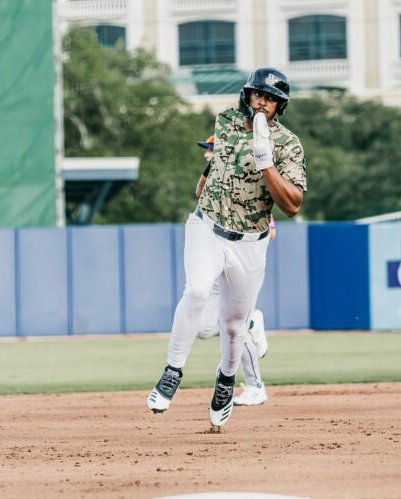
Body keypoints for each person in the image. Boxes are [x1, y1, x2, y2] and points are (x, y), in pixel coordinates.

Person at [147, 67, 306, 428]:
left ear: (280, 106)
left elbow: (293, 203)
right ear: (247, 96)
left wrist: (267, 163)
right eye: (257, 95)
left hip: (250, 243)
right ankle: (172, 372)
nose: (262, 102)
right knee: (197, 290)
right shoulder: (226, 122)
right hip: (207, 227)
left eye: (270, 99)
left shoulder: (288, 145)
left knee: (234, 326)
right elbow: (209, 186)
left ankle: (226, 381)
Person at [195, 135, 271, 406]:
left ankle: (255, 387)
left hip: (239, 265)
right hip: (213, 265)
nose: (206, 154)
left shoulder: (249, 186)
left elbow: (268, 231)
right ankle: (252, 322)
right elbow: (198, 195)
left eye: (211, 150)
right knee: (204, 328)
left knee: (234, 329)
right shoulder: (215, 185)